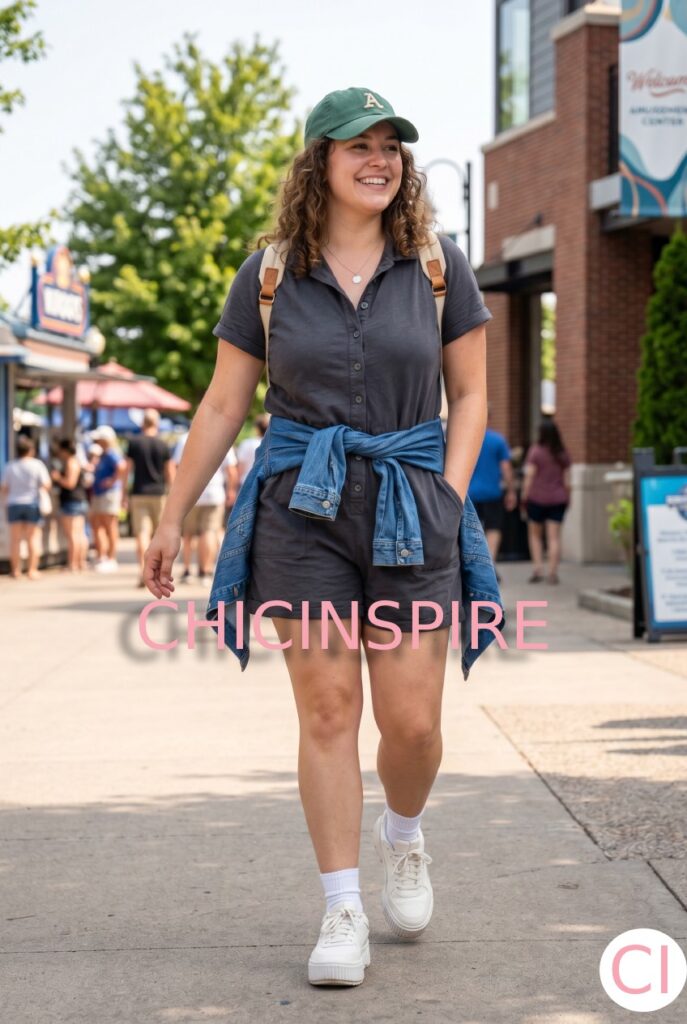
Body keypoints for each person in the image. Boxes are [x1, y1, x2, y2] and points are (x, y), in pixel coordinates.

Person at [143, 86, 494, 987]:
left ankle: (403, 835)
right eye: (357, 146)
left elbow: (474, 396)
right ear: (319, 163)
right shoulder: (266, 275)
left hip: (414, 507)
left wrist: (449, 498)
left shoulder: (438, 266)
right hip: (302, 509)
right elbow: (224, 404)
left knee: (411, 725)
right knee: (329, 713)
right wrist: (172, 512)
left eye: (391, 146)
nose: (379, 159)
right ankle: (341, 907)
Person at [171, 433, 237, 584]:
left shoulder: (184, 438)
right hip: (214, 493)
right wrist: (231, 491)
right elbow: (231, 470)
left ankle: (187, 570)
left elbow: (175, 465)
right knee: (209, 532)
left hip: (190, 493)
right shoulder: (223, 436)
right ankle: (205, 571)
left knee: (188, 534)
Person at [466, 404, 518, 578]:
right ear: (489, 418)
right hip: (492, 493)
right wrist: (511, 491)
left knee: (473, 530)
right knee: (494, 529)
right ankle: (490, 563)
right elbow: (506, 467)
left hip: (470, 494)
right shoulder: (498, 440)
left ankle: (476, 565)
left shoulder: (467, 439)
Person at [126, 410, 174, 587]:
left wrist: (125, 492)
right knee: (158, 535)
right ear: (157, 424)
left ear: (142, 423)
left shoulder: (134, 443)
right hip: (159, 493)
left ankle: (143, 571)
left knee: (141, 533)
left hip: (138, 493)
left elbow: (127, 469)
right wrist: (173, 494)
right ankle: (159, 574)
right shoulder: (163, 444)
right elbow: (170, 471)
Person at [521, 418, 572, 584]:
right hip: (558, 499)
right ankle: (552, 573)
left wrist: (524, 496)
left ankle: (537, 569)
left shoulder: (535, 451)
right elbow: (567, 480)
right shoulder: (562, 453)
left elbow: (529, 477)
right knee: (554, 537)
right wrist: (568, 497)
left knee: (535, 536)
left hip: (536, 498)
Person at [1, 435, 52, 579]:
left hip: (14, 503)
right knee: (33, 538)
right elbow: (46, 485)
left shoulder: (10, 466)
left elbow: (4, 488)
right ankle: (32, 570)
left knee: (15, 539)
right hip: (32, 503)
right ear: (31, 450)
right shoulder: (37, 465)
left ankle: (16, 571)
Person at [89, 425, 128, 573]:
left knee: (110, 525)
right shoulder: (103, 455)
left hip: (109, 493)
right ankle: (102, 556)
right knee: (97, 524)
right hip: (99, 493)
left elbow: (121, 467)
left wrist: (112, 481)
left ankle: (111, 558)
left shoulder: (112, 453)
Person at [50, 438, 89, 572]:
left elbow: (70, 483)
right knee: (79, 533)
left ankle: (72, 564)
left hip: (71, 501)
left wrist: (57, 478)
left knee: (72, 534)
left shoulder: (71, 463)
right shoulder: (76, 462)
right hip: (78, 500)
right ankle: (80, 562)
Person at [235, 414, 270, 488]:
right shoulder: (272, 444)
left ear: (257, 428)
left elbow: (241, 466)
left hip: (246, 482)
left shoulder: (247, 443)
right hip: (266, 484)